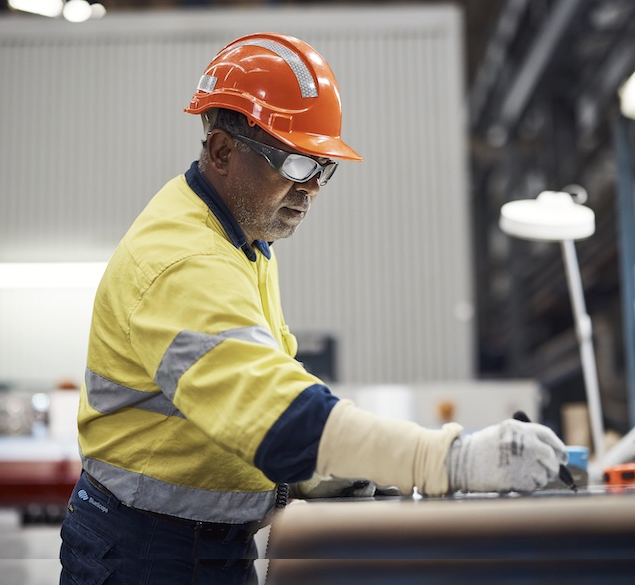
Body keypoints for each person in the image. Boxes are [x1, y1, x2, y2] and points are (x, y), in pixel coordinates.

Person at [59, 32, 568, 585]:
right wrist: (450, 461)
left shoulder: (245, 243)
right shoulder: (182, 260)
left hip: (206, 542)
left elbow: (261, 388)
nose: (312, 189)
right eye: (296, 164)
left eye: (324, 167)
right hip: (143, 552)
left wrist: (311, 475)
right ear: (223, 151)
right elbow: (277, 416)